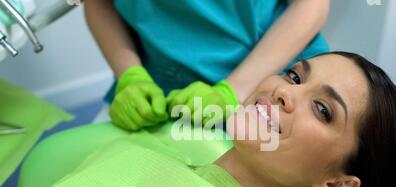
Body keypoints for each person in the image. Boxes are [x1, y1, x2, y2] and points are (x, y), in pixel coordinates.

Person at [0, 52, 396, 187]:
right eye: (294, 75)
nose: (284, 92)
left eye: (323, 109)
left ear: (336, 184)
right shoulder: (131, 152)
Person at [84, 0, 330, 130]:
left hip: (266, 80)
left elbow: (311, 3)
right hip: (156, 83)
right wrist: (130, 76)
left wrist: (231, 92)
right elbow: (97, 2)